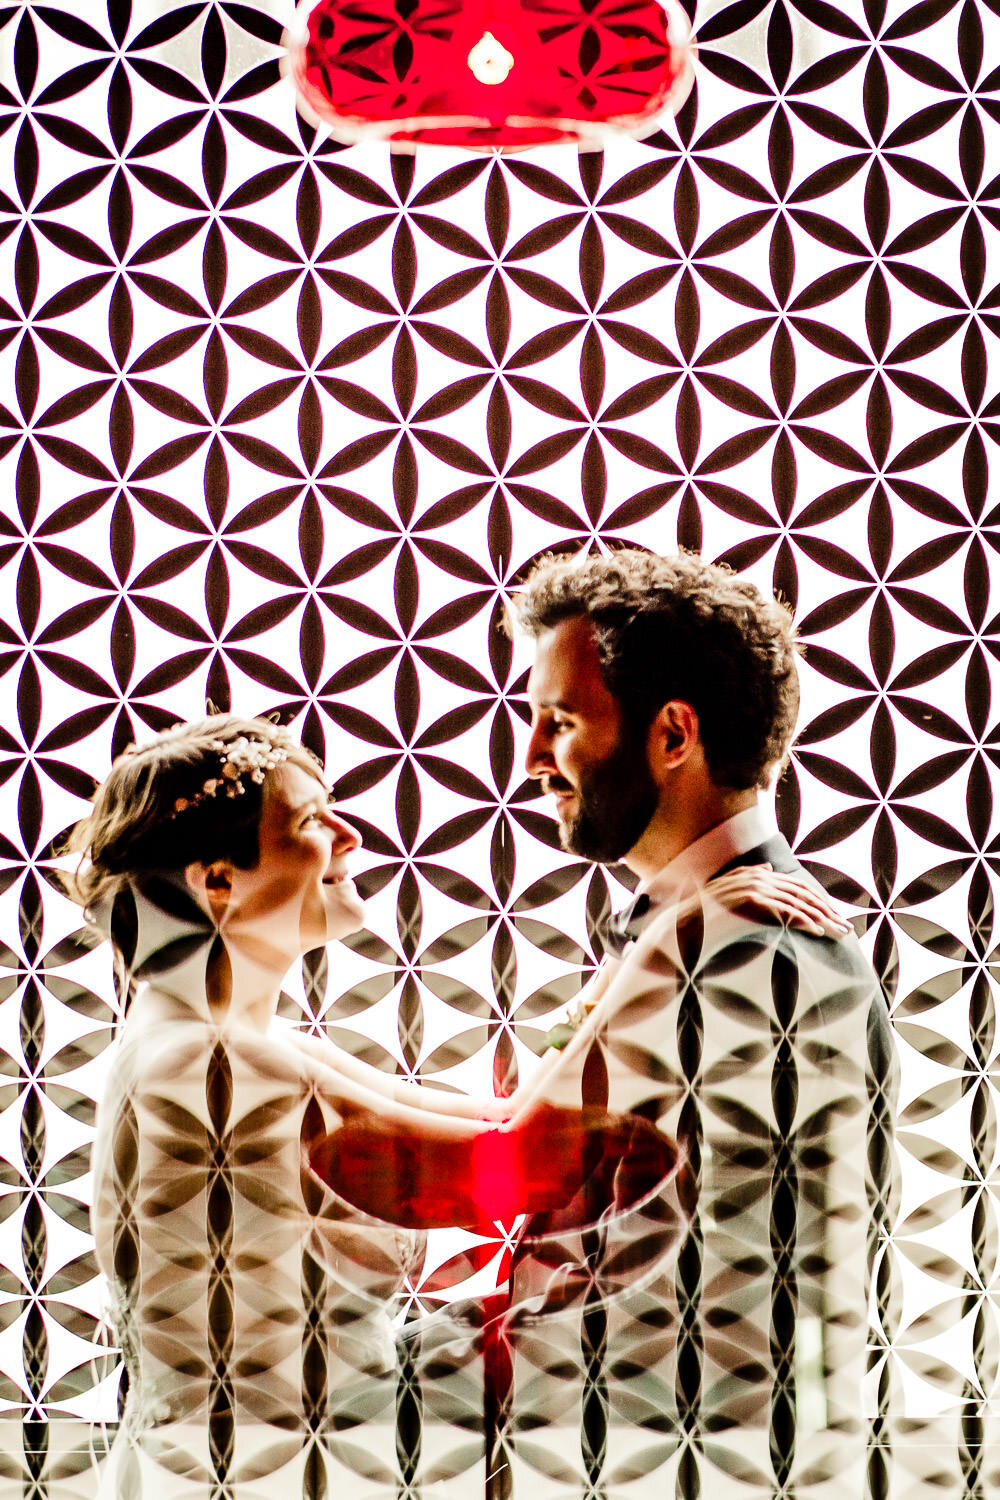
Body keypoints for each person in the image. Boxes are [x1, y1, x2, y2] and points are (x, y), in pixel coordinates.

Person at [70, 714, 834, 1499]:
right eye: (309, 821)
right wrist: (673, 944)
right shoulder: (219, 1067)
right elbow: (511, 1173)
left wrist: (626, 973)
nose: (350, 837)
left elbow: (500, 1123)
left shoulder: (222, 1039)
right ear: (218, 882)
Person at [468, 548, 897, 1500]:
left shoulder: (758, 956)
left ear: (673, 736)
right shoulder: (693, 932)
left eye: (561, 722)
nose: (530, 760)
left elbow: (724, 1303)